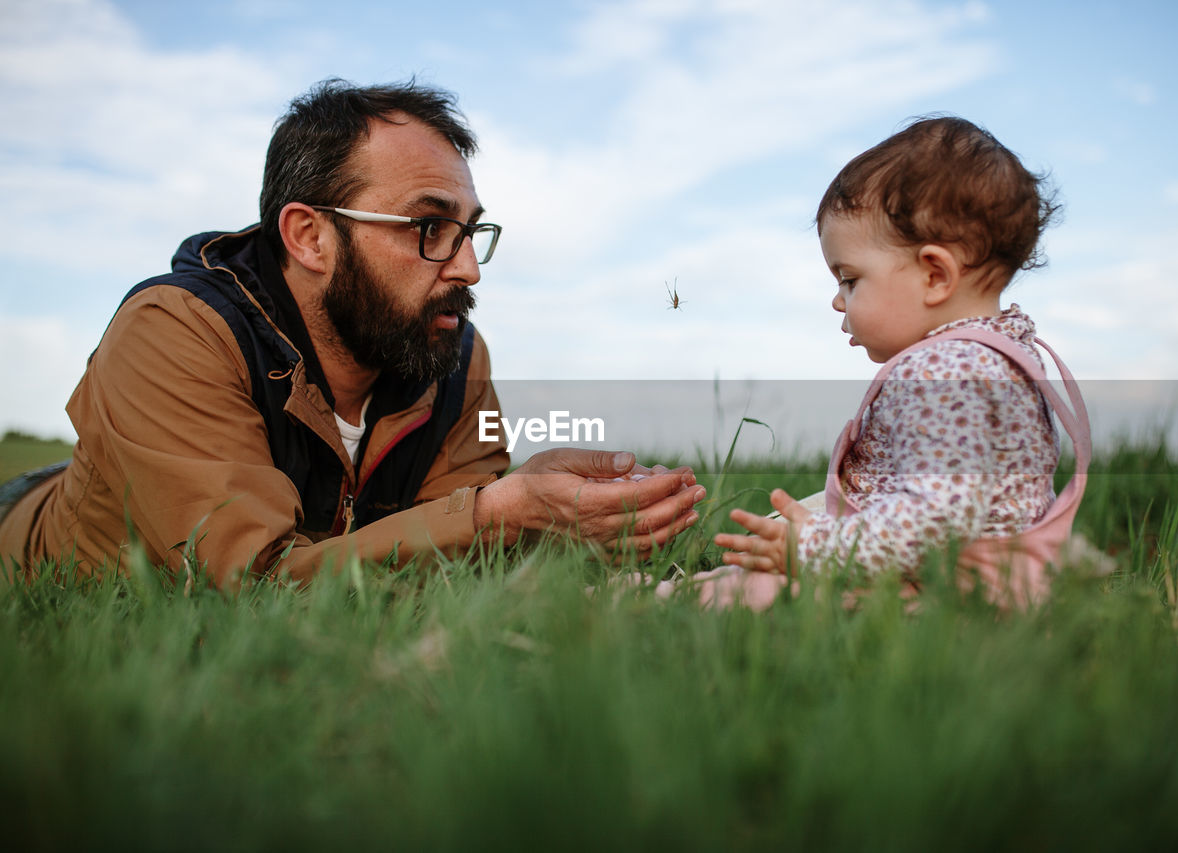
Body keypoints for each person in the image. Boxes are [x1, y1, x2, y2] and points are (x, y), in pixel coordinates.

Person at [0, 79, 704, 589]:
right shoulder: (173, 333)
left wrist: (540, 514)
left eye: (470, 232)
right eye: (428, 228)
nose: (466, 269)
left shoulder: (449, 348)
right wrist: (495, 515)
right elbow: (251, 584)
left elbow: (450, 553)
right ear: (310, 236)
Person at [704, 116, 1090, 610]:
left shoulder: (946, 373)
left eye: (849, 280)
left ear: (934, 276)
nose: (838, 302)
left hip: (941, 596)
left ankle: (644, 601)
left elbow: (936, 523)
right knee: (789, 541)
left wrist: (818, 549)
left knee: (756, 592)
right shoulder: (1000, 355)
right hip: (969, 583)